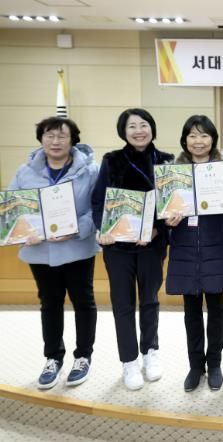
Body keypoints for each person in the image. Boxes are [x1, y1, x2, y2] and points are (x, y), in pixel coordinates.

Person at [9, 117, 99, 389]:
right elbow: (12, 207)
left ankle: (83, 357)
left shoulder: (90, 170)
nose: (55, 141)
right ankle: (53, 357)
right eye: (49, 136)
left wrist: (77, 228)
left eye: (62, 136)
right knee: (49, 303)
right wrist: (23, 231)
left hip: (77, 248)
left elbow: (97, 207)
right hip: (40, 250)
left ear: (73, 140)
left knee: (83, 301)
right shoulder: (25, 172)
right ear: (41, 139)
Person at [91, 108, 174, 391]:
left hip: (152, 245)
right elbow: (99, 201)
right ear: (123, 132)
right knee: (123, 304)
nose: (139, 131)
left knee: (149, 300)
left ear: (152, 128)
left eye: (143, 125)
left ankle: (150, 352)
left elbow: (172, 204)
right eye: (132, 126)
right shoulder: (112, 159)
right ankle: (128, 361)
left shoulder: (166, 161)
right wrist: (102, 229)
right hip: (118, 247)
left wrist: (156, 230)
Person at [164, 115, 223, 392]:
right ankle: (195, 366)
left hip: (214, 245)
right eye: (193, 135)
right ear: (185, 140)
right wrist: (168, 219)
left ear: (213, 139)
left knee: (216, 309)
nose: (198, 141)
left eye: (204, 135)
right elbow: (165, 210)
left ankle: (215, 364)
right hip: (185, 246)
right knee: (191, 311)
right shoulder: (173, 172)